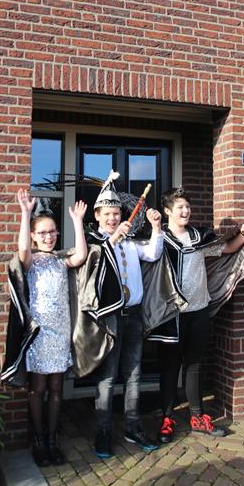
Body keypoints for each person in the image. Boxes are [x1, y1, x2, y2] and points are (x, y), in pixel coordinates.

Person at [155, 186, 244, 443]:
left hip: (199, 310)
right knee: (169, 367)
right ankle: (166, 418)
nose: (186, 211)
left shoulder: (199, 237)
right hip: (171, 313)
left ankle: (197, 417)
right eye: (180, 207)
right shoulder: (159, 239)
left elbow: (227, 249)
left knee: (195, 365)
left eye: (188, 207)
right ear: (168, 211)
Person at [86, 171, 163, 459]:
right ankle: (103, 431)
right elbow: (95, 263)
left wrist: (156, 227)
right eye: (107, 214)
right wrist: (113, 239)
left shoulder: (130, 242)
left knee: (134, 373)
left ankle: (133, 426)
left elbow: (153, 253)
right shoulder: (93, 242)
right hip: (110, 317)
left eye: (116, 213)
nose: (113, 218)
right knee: (107, 376)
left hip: (134, 315)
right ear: (97, 215)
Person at [9, 189, 87, 467]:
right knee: (38, 387)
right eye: (42, 233)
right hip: (40, 333)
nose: (48, 236)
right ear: (34, 236)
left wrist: (77, 222)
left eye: (52, 232)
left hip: (60, 331)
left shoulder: (60, 260)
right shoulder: (31, 262)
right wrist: (25, 214)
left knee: (56, 386)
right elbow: (22, 251)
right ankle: (39, 439)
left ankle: (53, 439)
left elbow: (81, 255)